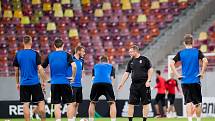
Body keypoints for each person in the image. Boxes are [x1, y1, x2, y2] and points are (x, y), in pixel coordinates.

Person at [170, 34, 208, 121]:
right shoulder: (197, 52)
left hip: (185, 81)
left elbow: (171, 63)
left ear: (184, 43)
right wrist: (202, 73)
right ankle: (198, 120)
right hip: (195, 80)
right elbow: (205, 61)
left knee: (188, 103)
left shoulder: (181, 53)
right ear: (193, 42)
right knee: (198, 103)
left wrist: (177, 75)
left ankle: (190, 120)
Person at [13, 35, 47, 121]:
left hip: (24, 83)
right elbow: (40, 68)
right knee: (41, 103)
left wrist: (17, 83)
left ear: (23, 42)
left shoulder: (18, 54)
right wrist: (44, 80)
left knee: (25, 104)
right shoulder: (35, 53)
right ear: (31, 42)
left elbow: (16, 71)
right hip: (35, 83)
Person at [42, 39, 77, 121]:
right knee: (69, 103)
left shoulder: (50, 55)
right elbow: (74, 66)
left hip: (54, 83)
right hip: (65, 82)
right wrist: (73, 76)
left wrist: (45, 79)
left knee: (56, 104)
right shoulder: (67, 55)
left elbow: (41, 68)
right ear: (63, 45)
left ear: (54, 46)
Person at [118, 45, 153, 121]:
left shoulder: (145, 59)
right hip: (134, 85)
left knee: (145, 104)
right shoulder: (131, 61)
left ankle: (144, 120)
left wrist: (148, 80)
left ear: (135, 51)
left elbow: (150, 69)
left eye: (130, 52)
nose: (129, 53)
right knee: (131, 103)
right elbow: (127, 73)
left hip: (144, 84)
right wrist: (121, 83)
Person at [88, 56, 116, 121]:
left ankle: (91, 120)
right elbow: (112, 78)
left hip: (96, 84)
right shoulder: (111, 66)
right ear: (107, 60)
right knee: (112, 103)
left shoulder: (95, 66)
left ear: (100, 61)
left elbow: (92, 78)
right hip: (107, 83)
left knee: (92, 102)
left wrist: (94, 86)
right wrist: (111, 87)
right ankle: (113, 120)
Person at [67, 46, 85, 121]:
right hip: (72, 84)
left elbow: (81, 71)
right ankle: (70, 119)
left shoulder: (82, 61)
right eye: (83, 51)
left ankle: (74, 118)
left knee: (77, 103)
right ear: (78, 51)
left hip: (79, 85)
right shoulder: (70, 59)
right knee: (72, 103)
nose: (84, 53)